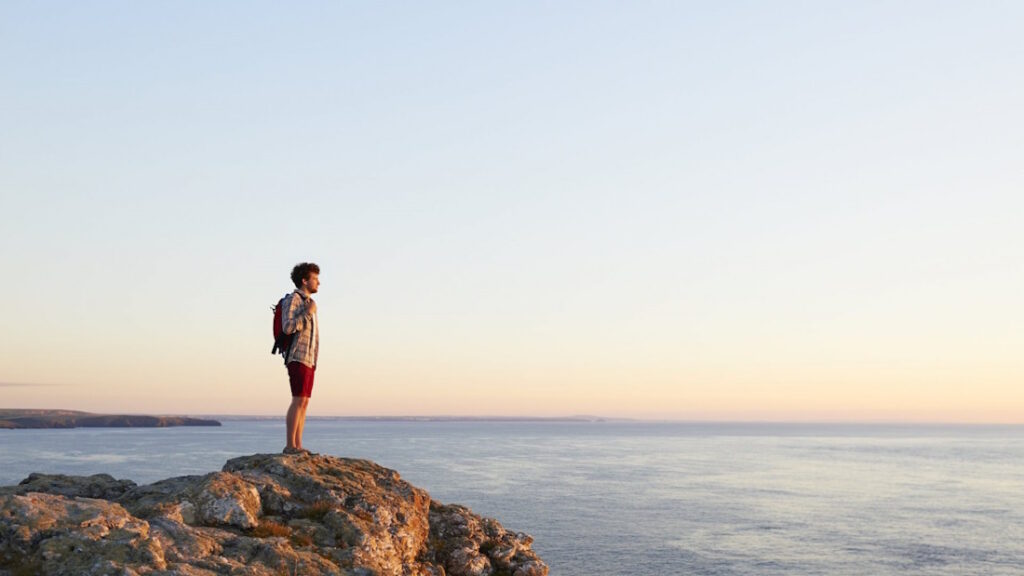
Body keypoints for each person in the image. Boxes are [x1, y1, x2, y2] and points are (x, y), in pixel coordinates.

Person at [281, 262, 320, 454]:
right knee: (298, 400)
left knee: (304, 401)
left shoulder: (308, 303)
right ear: (304, 280)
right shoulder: (294, 299)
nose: (318, 283)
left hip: (308, 359)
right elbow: (287, 327)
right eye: (315, 279)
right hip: (297, 356)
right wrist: (308, 313)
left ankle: (298, 444)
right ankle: (290, 445)